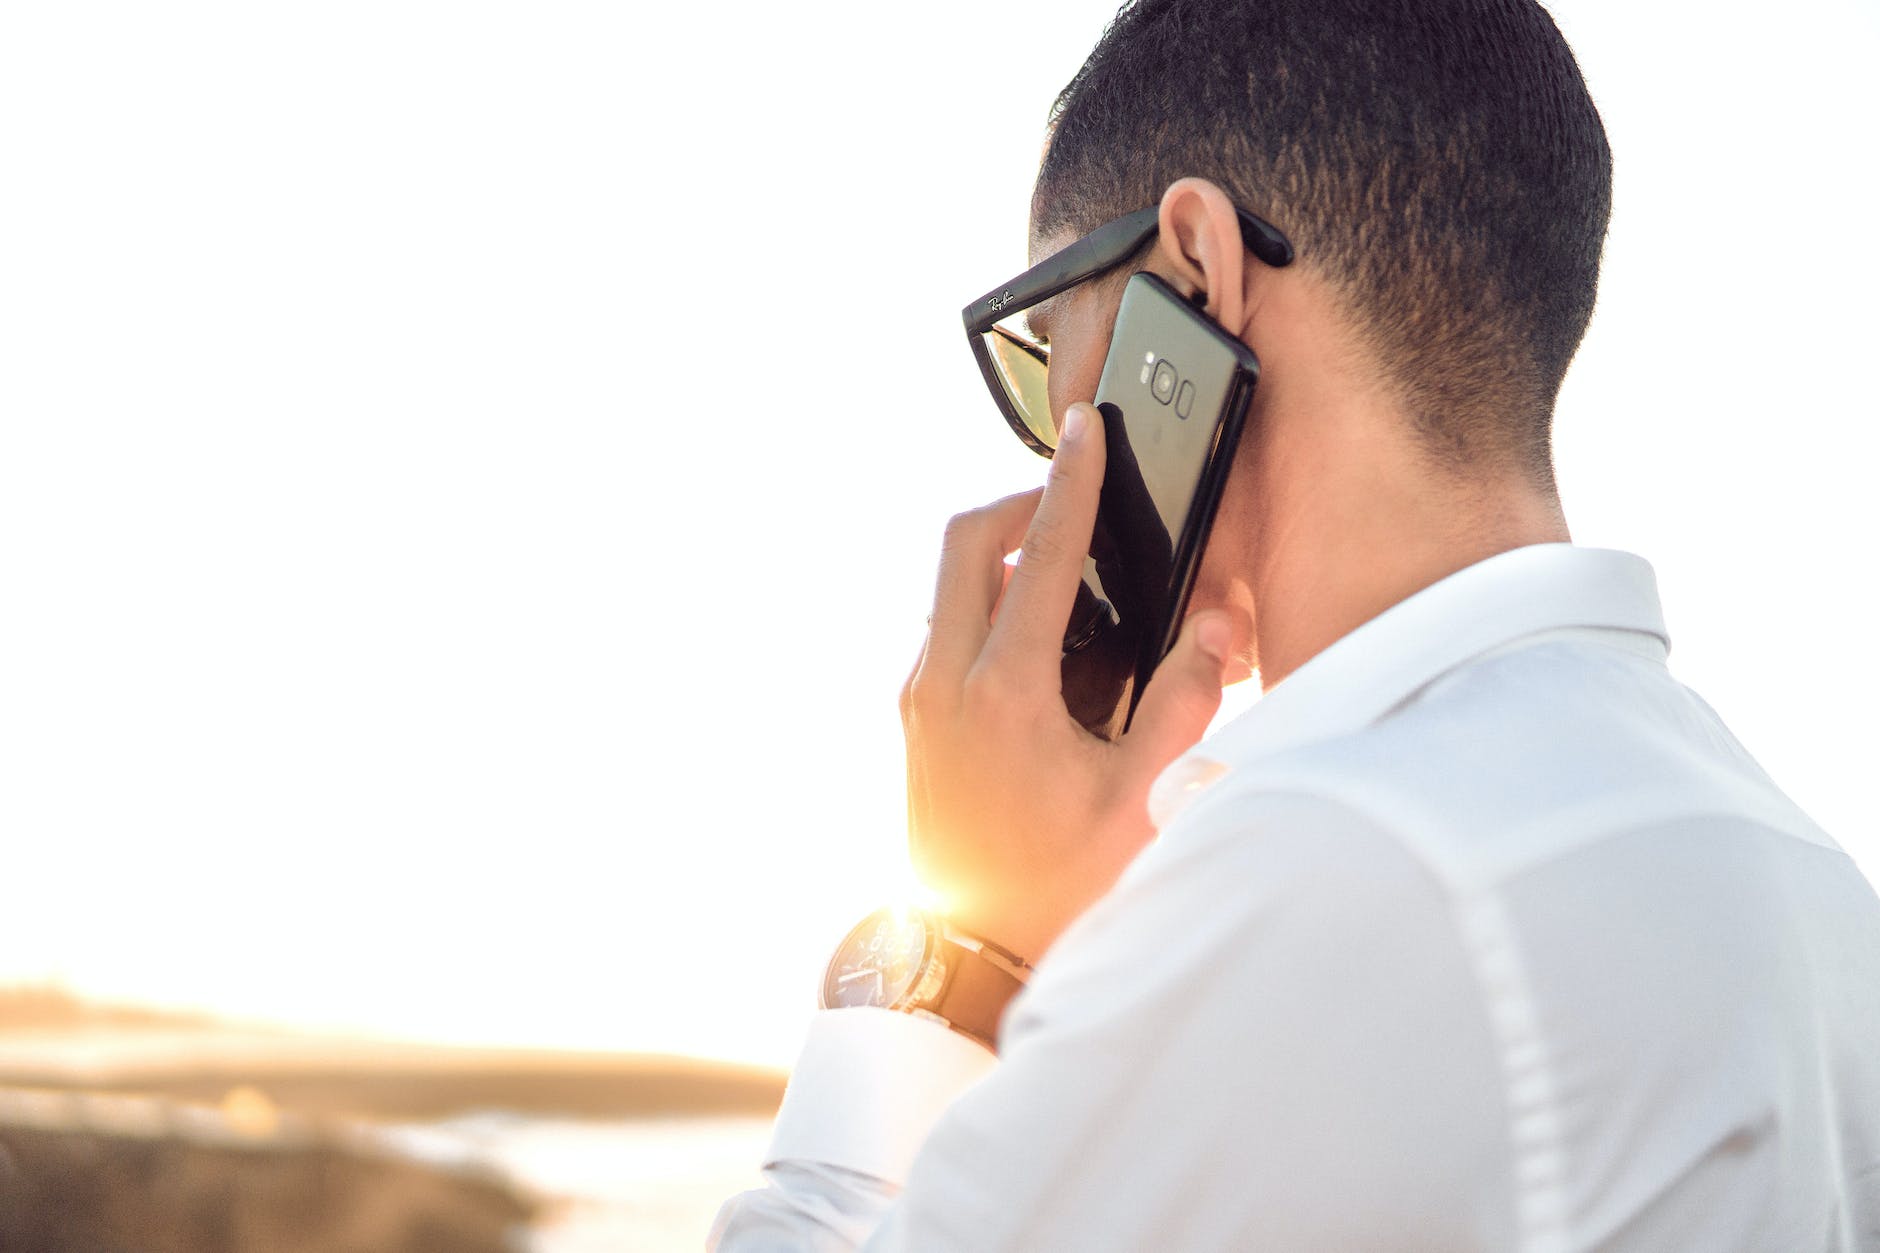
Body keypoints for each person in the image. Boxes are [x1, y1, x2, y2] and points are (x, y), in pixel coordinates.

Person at [710, 0, 1880, 1247]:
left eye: (1047, 340)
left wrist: (952, 964)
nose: (1055, 428)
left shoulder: (1324, 878)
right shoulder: (1815, 888)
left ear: (1195, 278)